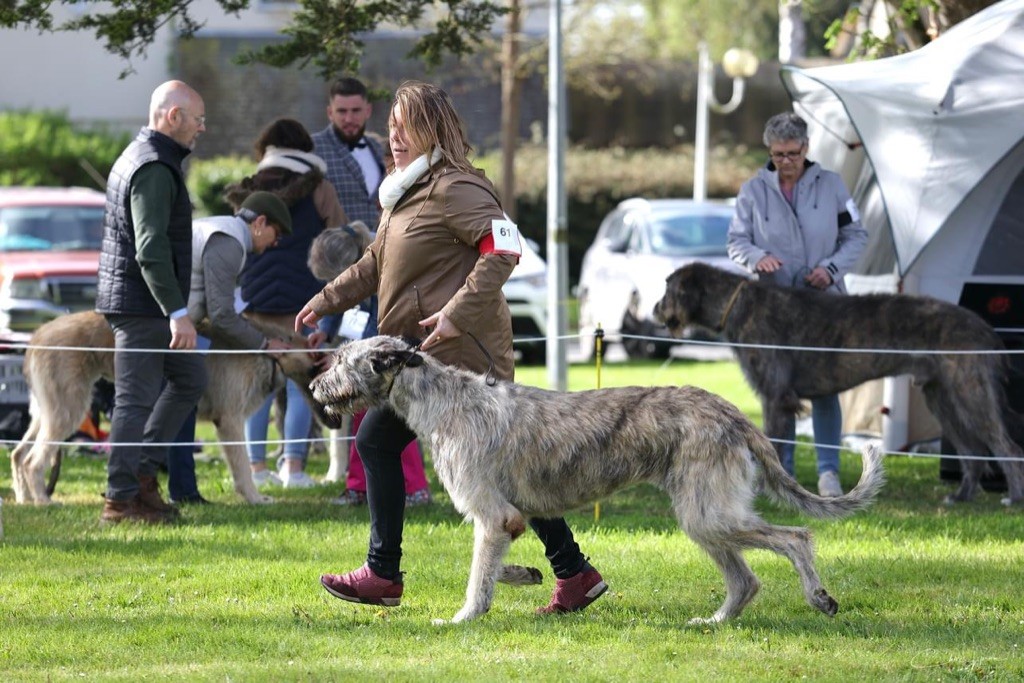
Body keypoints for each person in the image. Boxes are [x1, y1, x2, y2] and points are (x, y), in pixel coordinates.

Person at [297, 80, 606, 613]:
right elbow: (376, 264)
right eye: (390, 128)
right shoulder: (405, 191)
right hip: (421, 358)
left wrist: (456, 313)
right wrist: (325, 299)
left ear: (433, 130)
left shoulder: (455, 187)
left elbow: (504, 250)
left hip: (462, 359)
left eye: (405, 128)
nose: (393, 138)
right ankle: (574, 573)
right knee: (510, 472)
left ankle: (383, 572)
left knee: (376, 442)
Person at [726, 111, 868, 497]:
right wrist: (757, 258)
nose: (785, 161)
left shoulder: (833, 185)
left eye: (791, 153)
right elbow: (736, 242)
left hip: (824, 305)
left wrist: (831, 268)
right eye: (777, 154)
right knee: (778, 390)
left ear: (806, 148)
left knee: (825, 388)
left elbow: (856, 235)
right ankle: (781, 475)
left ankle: (828, 474)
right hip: (772, 310)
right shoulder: (753, 190)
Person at [94, 80, 209, 524]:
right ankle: (120, 501)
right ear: (173, 116)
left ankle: (141, 476)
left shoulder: (145, 156)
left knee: (190, 376)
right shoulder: (154, 167)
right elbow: (150, 249)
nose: (202, 128)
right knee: (134, 402)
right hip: (145, 306)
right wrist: (177, 312)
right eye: (197, 119)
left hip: (145, 302)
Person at [224, 118, 347, 489]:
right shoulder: (320, 188)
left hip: (256, 303)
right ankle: (293, 467)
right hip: (305, 305)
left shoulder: (251, 189)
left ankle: (255, 468)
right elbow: (339, 239)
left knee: (259, 385)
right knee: (302, 383)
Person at [164, 191, 295, 504]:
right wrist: (264, 343)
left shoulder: (223, 231)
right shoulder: (230, 241)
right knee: (178, 400)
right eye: (276, 234)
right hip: (171, 332)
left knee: (181, 405)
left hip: (178, 330)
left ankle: (182, 491)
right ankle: (174, 490)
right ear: (260, 223)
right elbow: (222, 315)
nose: (274, 244)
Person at [305, 222, 431, 507]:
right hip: (368, 360)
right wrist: (325, 330)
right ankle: (359, 487)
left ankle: (416, 489)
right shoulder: (351, 254)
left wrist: (343, 360)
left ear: (350, 266)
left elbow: (379, 327)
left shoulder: (386, 260)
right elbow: (340, 299)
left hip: (391, 356)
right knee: (363, 425)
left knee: (396, 422)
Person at [311, 77, 387, 226]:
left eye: (356, 111)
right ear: (330, 113)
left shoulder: (378, 148)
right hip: (336, 246)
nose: (349, 119)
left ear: (368, 111)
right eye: (342, 111)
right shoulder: (313, 148)